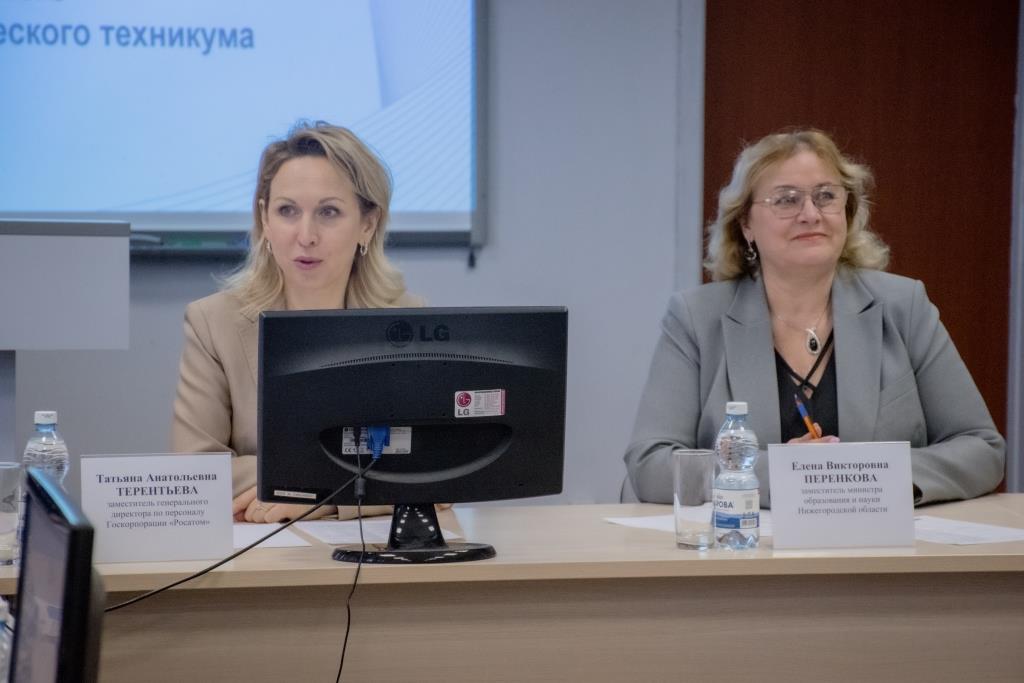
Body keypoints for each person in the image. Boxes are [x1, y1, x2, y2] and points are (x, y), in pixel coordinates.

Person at [625, 129, 1005, 507]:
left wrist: (862, 478)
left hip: (878, 541)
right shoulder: (696, 318)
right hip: (743, 540)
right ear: (746, 224)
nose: (810, 214)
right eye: (786, 200)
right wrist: (782, 475)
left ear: (847, 212)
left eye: (825, 196)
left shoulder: (904, 306)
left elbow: (981, 448)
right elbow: (651, 463)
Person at [172, 122, 419, 522]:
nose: (306, 235)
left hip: (374, 548)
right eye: (287, 211)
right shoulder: (212, 323)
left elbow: (432, 471)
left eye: (328, 212)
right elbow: (194, 470)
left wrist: (322, 498)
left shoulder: (409, 324)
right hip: (257, 545)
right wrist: (344, 483)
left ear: (368, 224)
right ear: (265, 219)